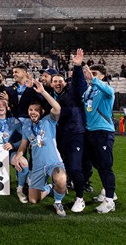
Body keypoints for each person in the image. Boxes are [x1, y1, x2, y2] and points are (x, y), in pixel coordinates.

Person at [13, 80, 67, 217]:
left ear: (41, 112)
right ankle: (49, 187)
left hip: (53, 163)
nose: (33, 112)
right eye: (30, 110)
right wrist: (18, 155)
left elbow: (57, 108)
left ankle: (58, 202)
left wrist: (42, 91)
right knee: (33, 199)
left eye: (36, 110)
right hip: (37, 167)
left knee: (60, 178)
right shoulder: (26, 127)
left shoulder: (48, 121)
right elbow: (23, 145)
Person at [50, 49, 92, 213]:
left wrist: (77, 66)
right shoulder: (54, 96)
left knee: (75, 168)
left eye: (60, 80)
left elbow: (79, 85)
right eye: (55, 81)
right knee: (67, 166)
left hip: (75, 134)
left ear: (65, 82)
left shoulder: (72, 91)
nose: (58, 83)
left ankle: (80, 198)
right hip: (62, 136)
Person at [82, 64, 117, 213]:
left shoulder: (105, 89)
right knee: (95, 162)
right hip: (90, 132)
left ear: (103, 75)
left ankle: (110, 200)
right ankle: (108, 192)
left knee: (105, 165)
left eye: (95, 73)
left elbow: (110, 91)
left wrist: (94, 80)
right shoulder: (89, 90)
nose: (90, 76)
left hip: (103, 131)